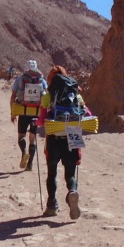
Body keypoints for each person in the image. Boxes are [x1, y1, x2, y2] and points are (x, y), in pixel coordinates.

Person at [35, 65, 89, 219]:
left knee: (52, 173)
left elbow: (41, 121)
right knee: (70, 173)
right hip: (73, 135)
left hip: (54, 137)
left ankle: (51, 206)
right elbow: (88, 114)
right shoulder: (76, 94)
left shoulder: (48, 96)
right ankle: (72, 191)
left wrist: (36, 123)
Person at [9, 60, 46, 170]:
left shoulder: (20, 79)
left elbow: (13, 97)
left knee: (21, 136)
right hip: (36, 113)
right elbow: (46, 98)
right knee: (32, 138)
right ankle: (29, 164)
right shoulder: (42, 81)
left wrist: (13, 113)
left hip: (23, 111)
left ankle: (24, 152)